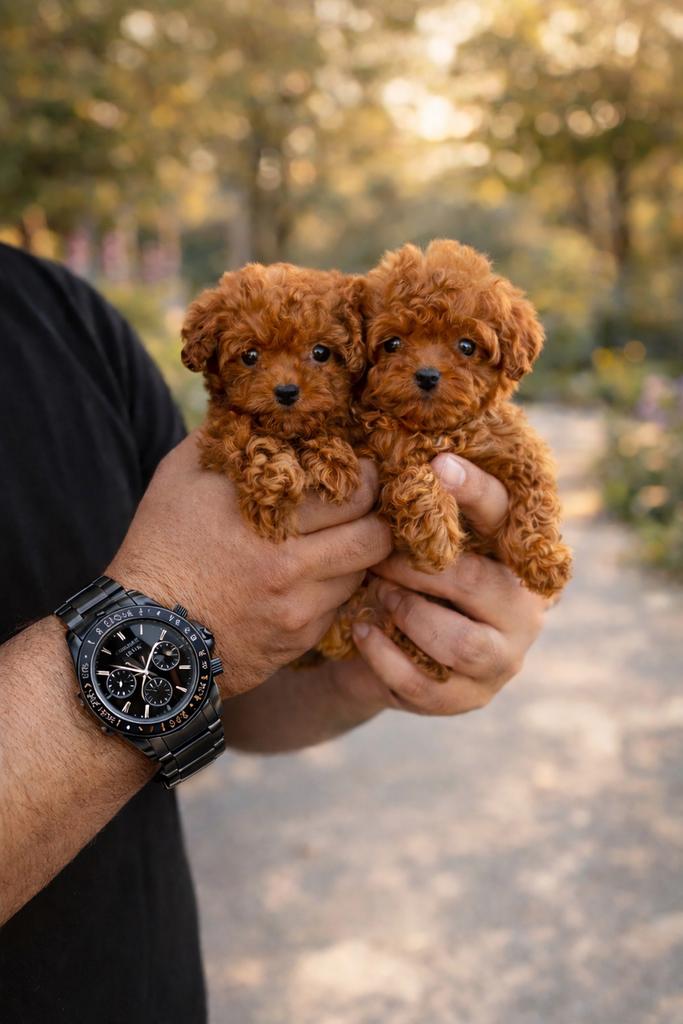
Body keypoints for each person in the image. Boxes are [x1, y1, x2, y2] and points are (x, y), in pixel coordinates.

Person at [0, 242, 547, 1022]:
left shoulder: (66, 319)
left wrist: (373, 656)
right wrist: (161, 612)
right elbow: (201, 605)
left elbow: (233, 682)